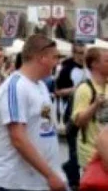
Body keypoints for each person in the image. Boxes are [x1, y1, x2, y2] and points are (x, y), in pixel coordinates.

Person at [0, 34, 67, 191]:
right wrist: (50, 175)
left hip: (42, 181)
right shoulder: (15, 87)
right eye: (54, 57)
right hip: (19, 183)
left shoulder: (40, 86)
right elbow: (18, 138)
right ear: (42, 58)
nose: (57, 62)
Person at [71, 47, 108, 169]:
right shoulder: (85, 89)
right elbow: (78, 121)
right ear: (94, 64)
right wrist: (95, 105)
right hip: (91, 156)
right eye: (107, 60)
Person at [57, 43, 86, 188]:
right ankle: (74, 182)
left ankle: (69, 167)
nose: (82, 56)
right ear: (74, 53)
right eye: (79, 53)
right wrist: (76, 89)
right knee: (74, 149)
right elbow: (58, 91)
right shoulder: (66, 69)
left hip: (86, 113)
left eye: (84, 53)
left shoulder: (88, 69)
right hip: (70, 112)